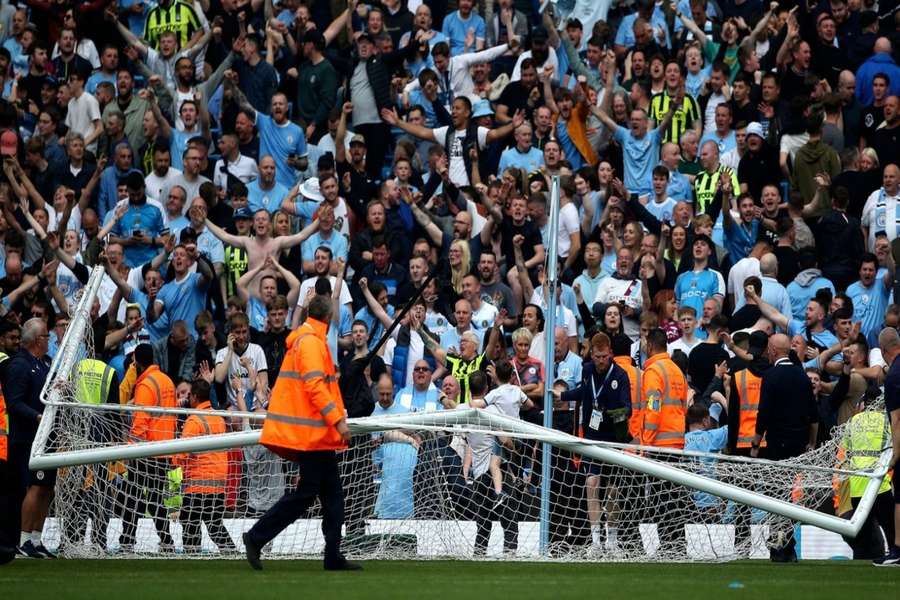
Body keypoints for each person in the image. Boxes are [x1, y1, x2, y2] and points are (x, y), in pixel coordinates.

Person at [243, 294, 359, 571]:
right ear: (329, 320)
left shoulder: (306, 339)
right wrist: (339, 422)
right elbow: (315, 387)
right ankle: (257, 537)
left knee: (331, 497)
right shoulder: (311, 343)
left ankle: (332, 554)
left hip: (315, 437)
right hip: (313, 437)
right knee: (310, 495)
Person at [558, 332, 631, 551]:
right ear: (592, 354)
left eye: (604, 357)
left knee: (612, 490)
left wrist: (609, 413)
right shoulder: (587, 369)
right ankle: (596, 541)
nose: (600, 361)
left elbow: (628, 409)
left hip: (613, 438)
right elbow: (584, 392)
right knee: (591, 484)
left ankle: (613, 540)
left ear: (610, 353)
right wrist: (562, 396)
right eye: (597, 356)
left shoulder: (620, 375)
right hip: (592, 437)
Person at [752, 333, 819, 562]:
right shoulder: (802, 376)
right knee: (789, 495)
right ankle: (788, 545)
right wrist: (811, 441)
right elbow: (814, 414)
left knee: (775, 497)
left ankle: (780, 548)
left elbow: (764, 413)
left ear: (772, 350)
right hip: (798, 443)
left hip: (777, 444)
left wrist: (755, 441)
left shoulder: (771, 376)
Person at [120, 343, 177, 552]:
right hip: (163, 449)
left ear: (136, 361)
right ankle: (167, 541)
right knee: (155, 499)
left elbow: (140, 423)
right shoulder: (167, 380)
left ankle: (127, 540)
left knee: (131, 496)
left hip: (145, 451)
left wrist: (130, 451)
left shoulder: (145, 385)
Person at [638, 328, 688, 554]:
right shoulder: (676, 370)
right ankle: (676, 543)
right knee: (675, 496)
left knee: (661, 498)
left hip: (659, 443)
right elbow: (683, 405)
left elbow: (653, 407)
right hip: (677, 441)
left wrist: (645, 443)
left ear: (649, 346)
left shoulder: (653, 371)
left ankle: (668, 545)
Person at [173, 378, 237, 555]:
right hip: (217, 484)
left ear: (194, 396)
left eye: (189, 395)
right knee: (215, 525)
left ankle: (192, 557)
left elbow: (181, 454)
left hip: (197, 484)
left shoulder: (194, 421)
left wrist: (170, 460)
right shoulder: (218, 418)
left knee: (190, 525)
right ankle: (232, 553)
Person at [5, 319, 52, 558]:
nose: (49, 340)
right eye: (46, 336)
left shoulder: (43, 364)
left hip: (45, 438)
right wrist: (36, 416)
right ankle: (24, 539)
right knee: (34, 486)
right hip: (27, 438)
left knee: (46, 487)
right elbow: (14, 402)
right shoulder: (19, 366)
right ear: (36, 340)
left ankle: (36, 538)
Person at [874, 327, 900, 566]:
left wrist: (896, 453)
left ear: (883, 351)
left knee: (899, 496)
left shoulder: (893, 377)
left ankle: (898, 550)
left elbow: (897, 418)